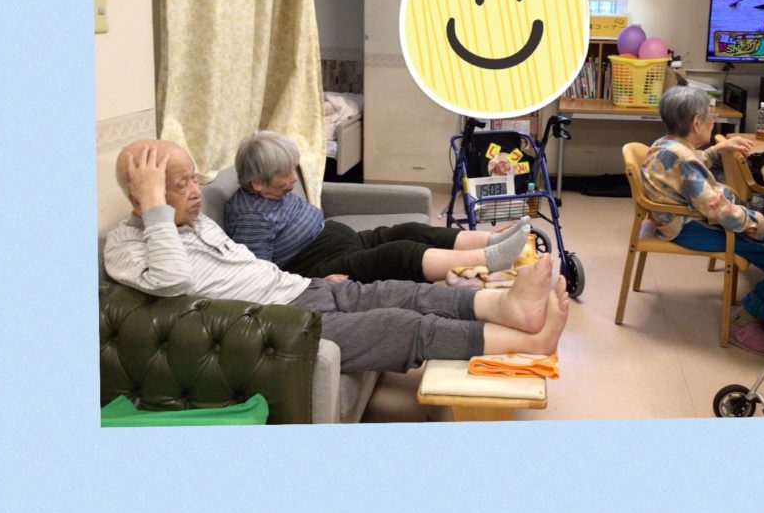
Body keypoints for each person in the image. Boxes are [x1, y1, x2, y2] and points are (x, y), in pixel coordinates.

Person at [103, 140, 568, 375]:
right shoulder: (128, 247)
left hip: (297, 290)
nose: (195, 192)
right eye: (178, 185)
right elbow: (173, 282)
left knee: (401, 293)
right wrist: (156, 209)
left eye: (194, 179)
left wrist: (314, 283)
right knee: (399, 324)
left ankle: (506, 306)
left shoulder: (194, 222)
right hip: (272, 323)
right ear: (141, 196)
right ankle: (528, 343)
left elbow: (249, 264)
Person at [222, 130, 533, 283]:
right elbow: (260, 277)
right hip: (319, 266)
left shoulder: (269, 192)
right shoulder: (251, 217)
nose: (294, 178)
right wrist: (315, 284)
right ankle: (491, 259)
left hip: (337, 242)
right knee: (399, 253)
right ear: (257, 183)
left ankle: (494, 240)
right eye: (285, 174)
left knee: (410, 230)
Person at [641, 85, 764, 355]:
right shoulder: (683, 159)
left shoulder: (666, 145)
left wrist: (718, 148)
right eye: (710, 116)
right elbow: (719, 212)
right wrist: (762, 223)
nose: (712, 121)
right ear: (697, 122)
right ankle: (742, 322)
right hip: (689, 227)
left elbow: (689, 167)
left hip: (679, 220)